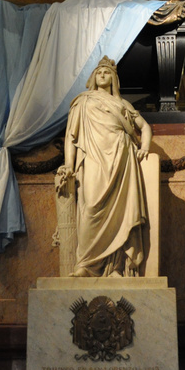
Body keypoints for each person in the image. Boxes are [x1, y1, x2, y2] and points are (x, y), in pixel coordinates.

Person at [62, 55, 152, 277]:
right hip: (93, 158)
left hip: (121, 158)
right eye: (99, 72)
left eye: (107, 73)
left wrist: (145, 146)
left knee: (122, 212)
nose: (102, 75)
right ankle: (86, 264)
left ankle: (116, 266)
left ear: (114, 79)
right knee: (90, 206)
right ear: (93, 77)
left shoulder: (122, 104)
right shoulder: (83, 101)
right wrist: (68, 165)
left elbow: (145, 127)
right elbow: (71, 138)